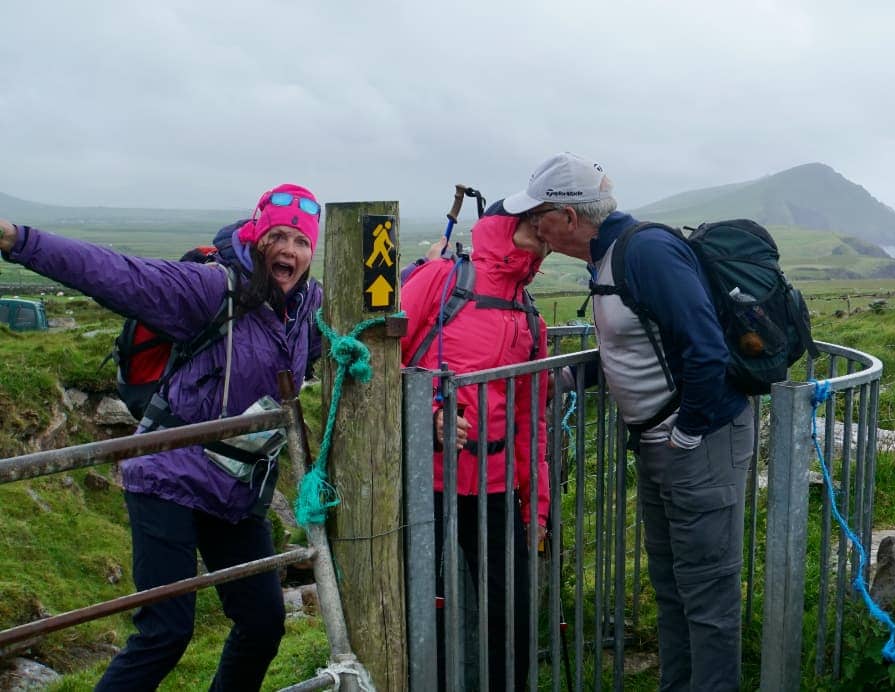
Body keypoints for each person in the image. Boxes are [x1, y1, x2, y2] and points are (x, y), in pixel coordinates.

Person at [0, 182, 324, 691]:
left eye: (301, 241)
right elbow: (117, 274)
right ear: (257, 237)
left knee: (263, 623)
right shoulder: (211, 288)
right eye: (278, 236)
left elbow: (380, 320)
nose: (289, 250)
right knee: (165, 633)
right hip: (167, 477)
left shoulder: (307, 308)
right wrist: (17, 239)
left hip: (235, 488)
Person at [504, 153, 755, 692]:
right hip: (663, 443)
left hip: (698, 442)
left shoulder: (647, 253)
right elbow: (636, 350)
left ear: (569, 219)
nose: (532, 228)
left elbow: (706, 350)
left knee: (707, 597)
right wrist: (563, 379)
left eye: (538, 216)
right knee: (673, 588)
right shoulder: (609, 260)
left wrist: (685, 433)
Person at [400, 209, 551, 691]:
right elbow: (373, 363)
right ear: (508, 226)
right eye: (534, 228)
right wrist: (430, 415)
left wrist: (537, 506)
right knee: (425, 616)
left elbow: (530, 421)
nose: (543, 241)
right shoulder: (440, 281)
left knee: (514, 616)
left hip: (497, 489)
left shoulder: (529, 313)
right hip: (425, 485)